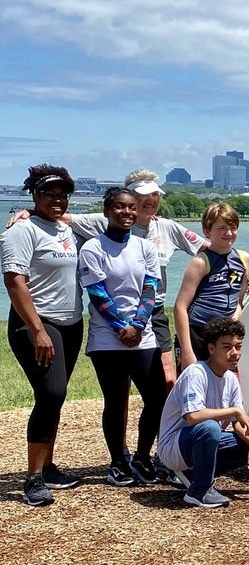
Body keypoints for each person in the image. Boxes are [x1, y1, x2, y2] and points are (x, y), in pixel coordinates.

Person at [9, 168, 209, 388]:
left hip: (153, 312)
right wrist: (29, 211)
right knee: (116, 394)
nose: (149, 200)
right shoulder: (100, 222)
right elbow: (58, 216)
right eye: (142, 195)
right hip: (109, 318)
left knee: (166, 382)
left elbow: (210, 250)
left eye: (155, 195)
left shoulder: (167, 227)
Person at [2, 165, 85, 506]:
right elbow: (14, 281)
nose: (57, 200)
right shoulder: (22, 230)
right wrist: (37, 329)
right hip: (37, 324)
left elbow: (116, 217)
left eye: (63, 195)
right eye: (49, 194)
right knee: (51, 393)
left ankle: (48, 465)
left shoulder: (65, 227)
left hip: (71, 323)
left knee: (57, 396)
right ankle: (34, 478)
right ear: (35, 195)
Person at [78, 187, 167, 486]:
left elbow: (151, 288)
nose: (126, 213)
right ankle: (118, 460)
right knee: (116, 402)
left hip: (142, 337)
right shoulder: (93, 247)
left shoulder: (145, 247)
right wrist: (120, 328)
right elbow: (97, 292)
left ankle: (142, 456)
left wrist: (138, 325)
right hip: (107, 339)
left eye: (131, 208)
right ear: (107, 211)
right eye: (119, 207)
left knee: (156, 398)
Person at [156, 317, 249, 508]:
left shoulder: (231, 379)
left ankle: (195, 474)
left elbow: (237, 423)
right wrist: (235, 410)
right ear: (211, 349)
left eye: (238, 346)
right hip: (174, 447)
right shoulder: (196, 373)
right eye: (226, 347)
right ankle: (199, 491)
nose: (234, 353)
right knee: (209, 427)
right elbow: (193, 417)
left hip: (202, 440)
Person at [173, 202, 249, 370]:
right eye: (221, 228)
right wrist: (187, 352)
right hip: (197, 332)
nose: (228, 233)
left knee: (225, 385)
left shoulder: (243, 260)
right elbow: (180, 307)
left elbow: (239, 300)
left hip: (224, 334)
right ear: (207, 231)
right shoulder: (200, 262)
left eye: (233, 227)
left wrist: (233, 321)